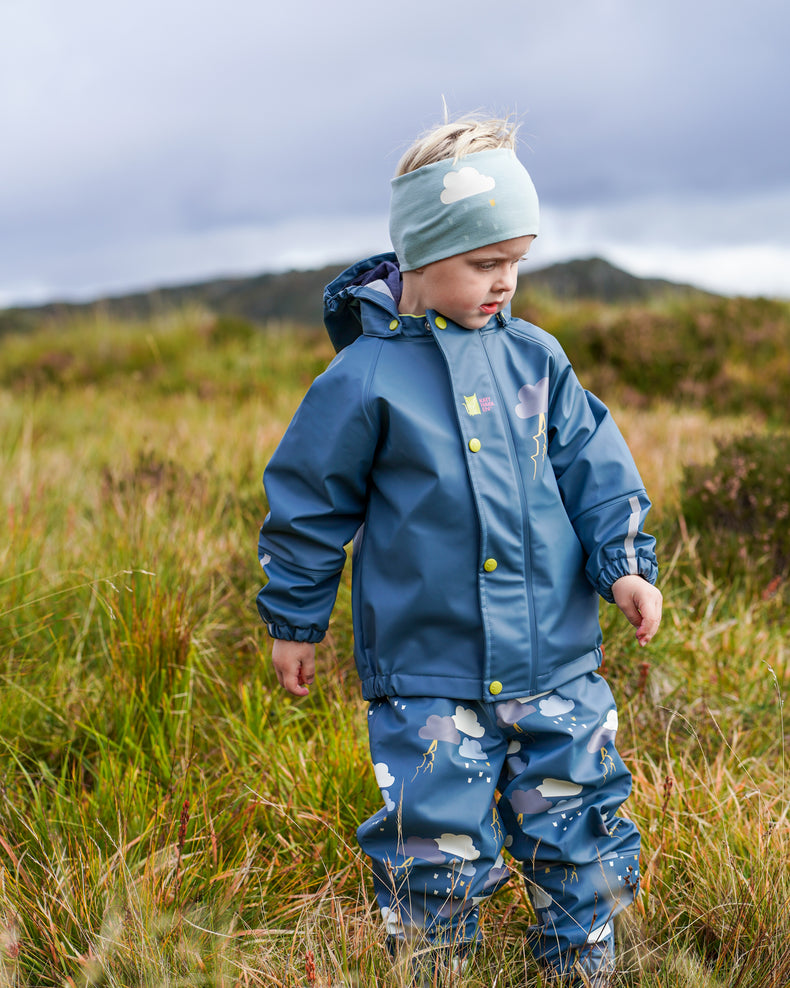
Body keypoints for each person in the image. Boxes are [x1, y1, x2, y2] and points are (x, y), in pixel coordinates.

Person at [256, 115, 662, 986]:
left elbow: (599, 470)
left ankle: (582, 971)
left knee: (583, 835)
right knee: (432, 854)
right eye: (485, 263)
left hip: (559, 667)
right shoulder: (364, 379)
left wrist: (625, 564)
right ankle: (437, 971)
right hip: (428, 678)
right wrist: (295, 618)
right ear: (421, 255)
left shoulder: (537, 359)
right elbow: (309, 506)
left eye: (516, 262)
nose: (505, 283)